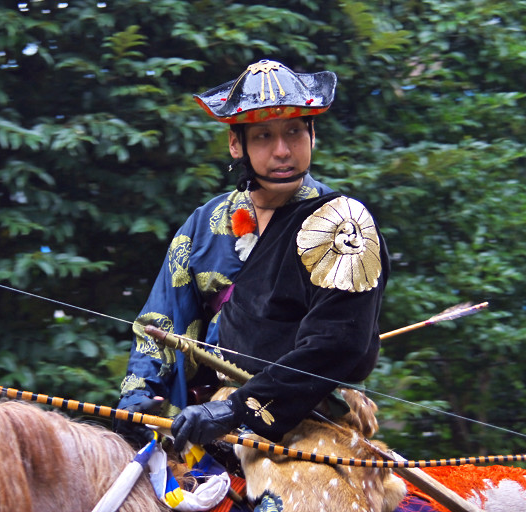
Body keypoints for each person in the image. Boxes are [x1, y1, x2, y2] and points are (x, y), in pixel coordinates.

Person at [115, 59, 390, 456]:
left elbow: (338, 344)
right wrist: (137, 401)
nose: (282, 151)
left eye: (294, 131)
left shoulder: (343, 224)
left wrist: (236, 408)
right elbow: (159, 322)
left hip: (308, 422)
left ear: (313, 135)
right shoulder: (204, 224)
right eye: (263, 136)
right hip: (196, 420)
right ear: (235, 143)